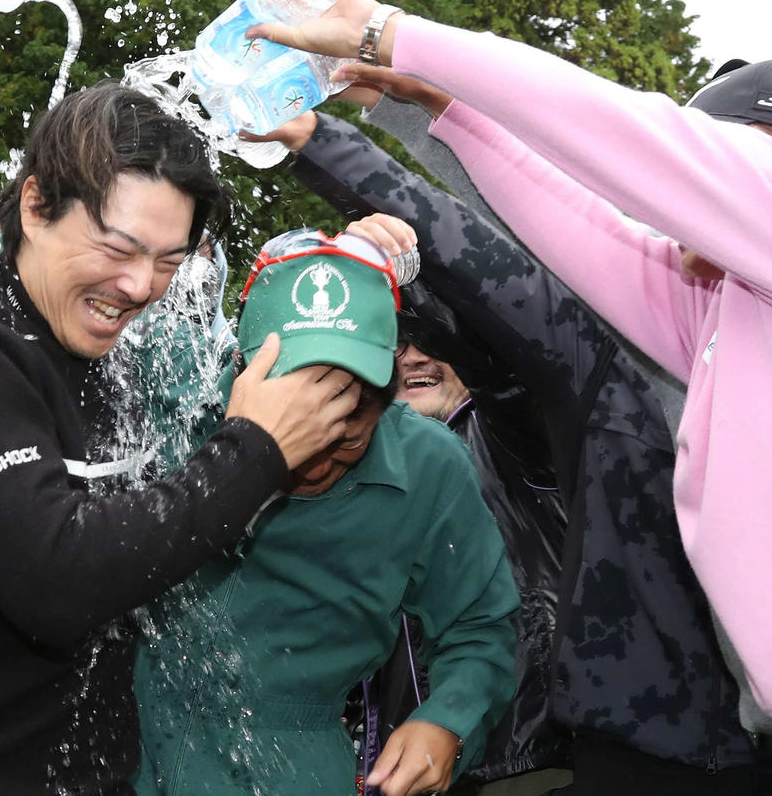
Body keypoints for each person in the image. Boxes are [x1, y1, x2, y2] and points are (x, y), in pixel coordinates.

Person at [0, 0, 361, 796]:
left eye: (168, 259)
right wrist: (254, 450)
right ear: (34, 206)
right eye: (116, 247)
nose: (139, 285)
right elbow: (58, 576)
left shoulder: (106, 351)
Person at [251, 0, 772, 777]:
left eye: (716, 165)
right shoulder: (723, 311)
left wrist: (392, 30)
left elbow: (623, 139)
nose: (676, 203)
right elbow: (575, 235)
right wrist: (424, 110)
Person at [131, 229, 519, 796]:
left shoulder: (427, 467)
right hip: (127, 753)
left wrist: (447, 724)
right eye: (288, 434)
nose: (310, 462)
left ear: (387, 401)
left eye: (345, 440)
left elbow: (481, 627)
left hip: (295, 766)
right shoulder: (167, 406)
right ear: (240, 371)